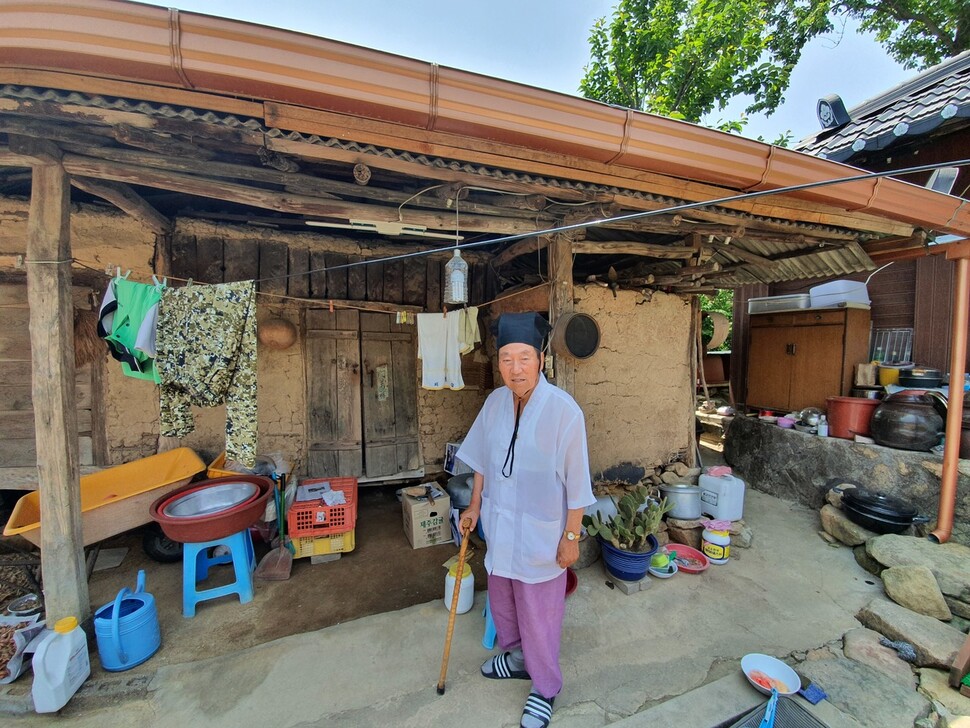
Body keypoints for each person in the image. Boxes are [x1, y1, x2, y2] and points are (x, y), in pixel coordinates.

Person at [457, 312, 595, 728]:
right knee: (503, 601)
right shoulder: (495, 402)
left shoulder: (564, 413)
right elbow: (482, 457)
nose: (514, 369)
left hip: (543, 533)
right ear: (497, 362)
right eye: (505, 359)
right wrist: (475, 505)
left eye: (523, 358)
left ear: (540, 359)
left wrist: (571, 536)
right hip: (500, 527)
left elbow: (577, 483)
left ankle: (546, 686)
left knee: (540, 612)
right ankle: (517, 658)